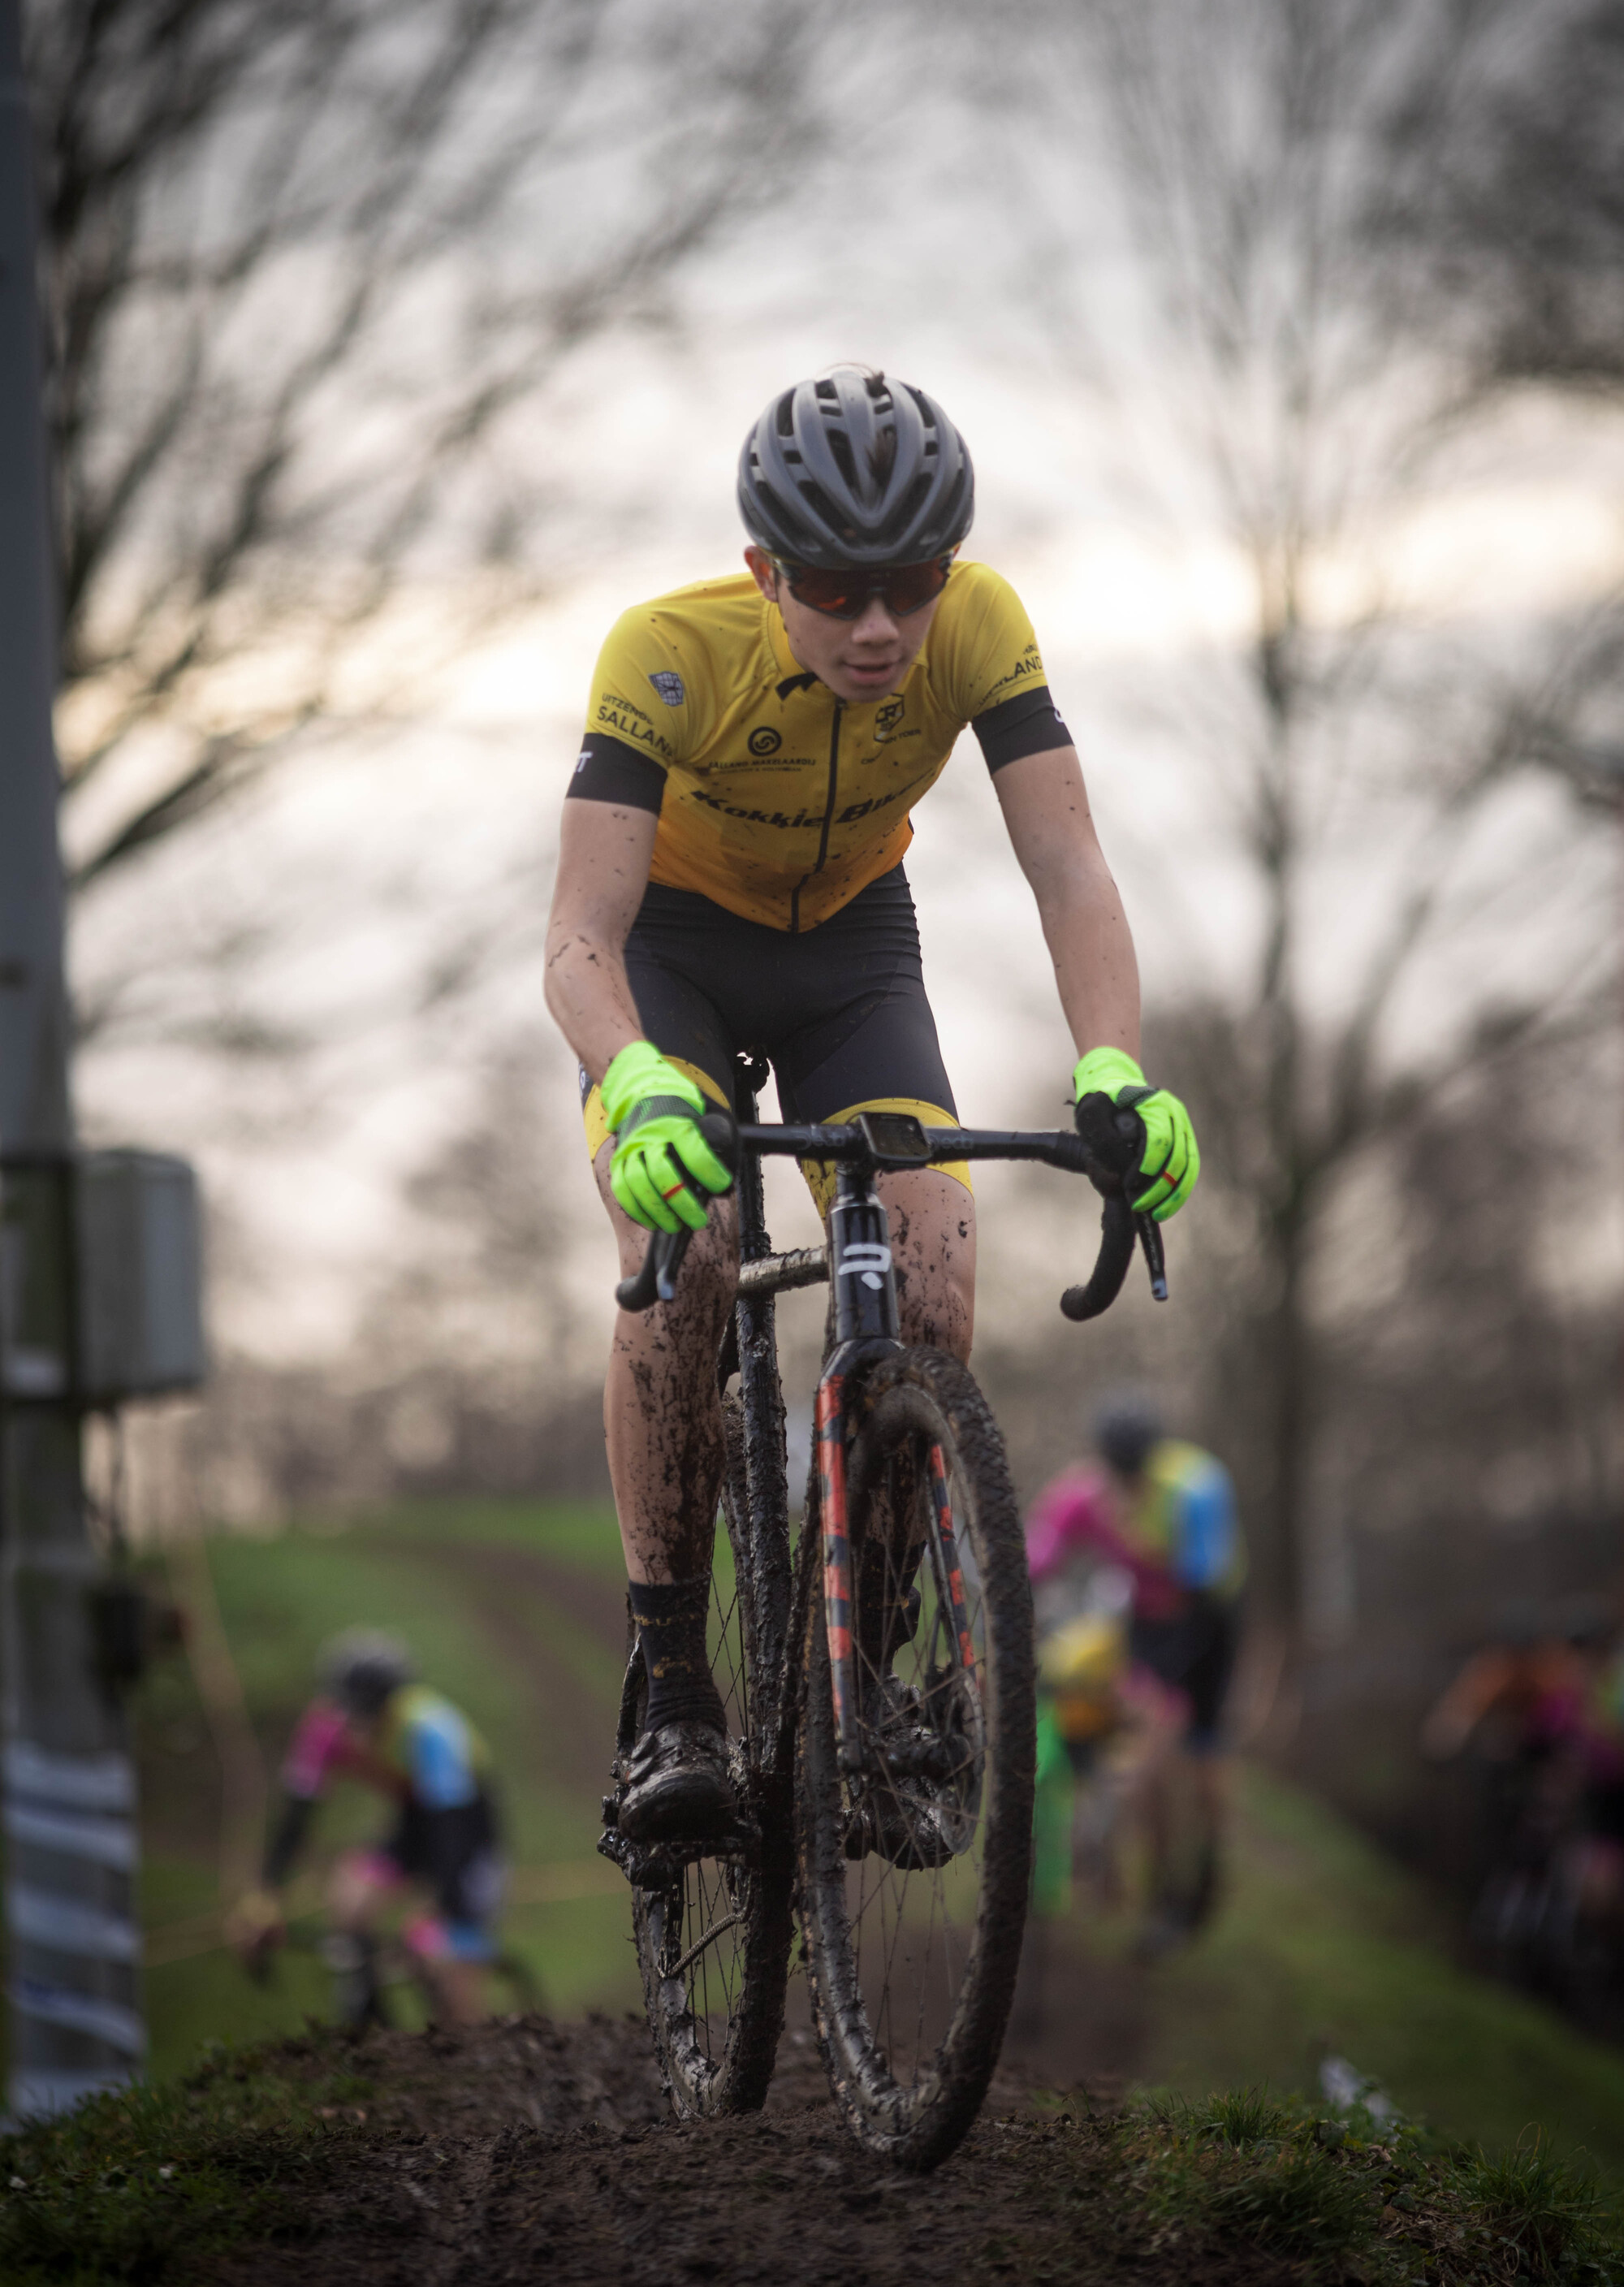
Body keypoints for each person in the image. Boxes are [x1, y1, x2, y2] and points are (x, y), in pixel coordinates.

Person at [543, 362, 1202, 1846]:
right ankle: (667, 1687)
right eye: (838, 590)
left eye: (912, 582)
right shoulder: (665, 651)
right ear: (767, 570)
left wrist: (1113, 1066)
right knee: (695, 1249)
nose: (881, 627)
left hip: (851, 953)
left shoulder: (982, 628)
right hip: (676, 960)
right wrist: (634, 1075)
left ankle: (876, 1674)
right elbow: (582, 931)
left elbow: (1070, 868)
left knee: (936, 1269)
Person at [1026, 1395, 1244, 1946]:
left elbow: (1204, 1577)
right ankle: (1161, 1898)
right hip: (1146, 1625)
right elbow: (1037, 1554)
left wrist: (1137, 1537)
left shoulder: (1196, 1485)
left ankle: (1207, 1872)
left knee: (1202, 1758)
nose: (1126, 1482)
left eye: (1135, 1471)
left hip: (1207, 1623)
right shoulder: (1084, 1492)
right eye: (1116, 1471)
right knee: (1148, 1757)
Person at [230, 1632, 503, 2026]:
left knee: (443, 1959)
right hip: (412, 1822)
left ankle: (466, 2040)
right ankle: (371, 2027)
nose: (358, 1725)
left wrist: (440, 1910)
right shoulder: (323, 1729)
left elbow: (452, 1835)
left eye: (372, 1712)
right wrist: (265, 1900)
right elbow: (296, 1819)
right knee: (350, 1901)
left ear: (395, 1701)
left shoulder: (431, 1729)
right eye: (349, 1709)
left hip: (468, 1829)